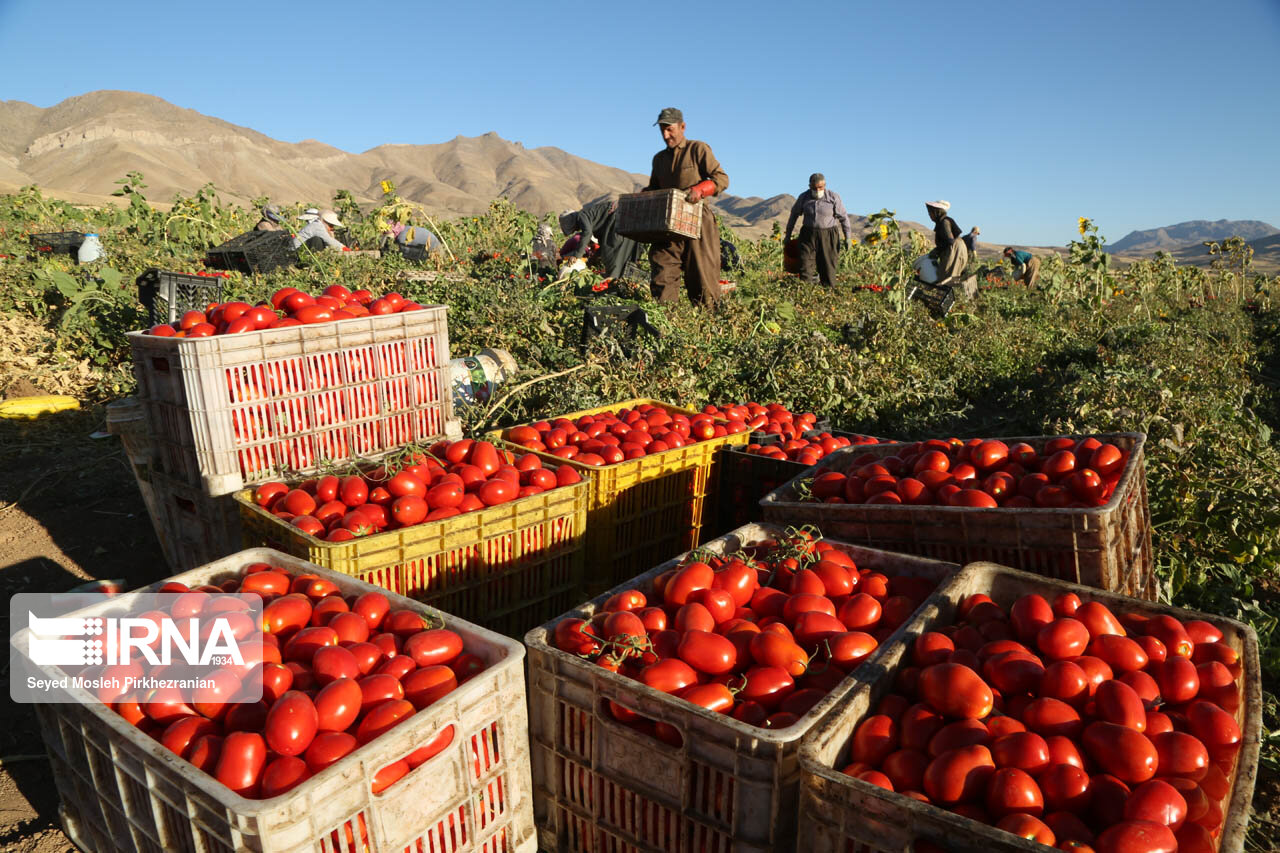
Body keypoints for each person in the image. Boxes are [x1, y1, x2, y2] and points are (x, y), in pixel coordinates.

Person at [643, 107, 729, 306]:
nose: (665, 135)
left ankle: (706, 325)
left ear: (682, 127)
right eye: (662, 130)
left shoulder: (697, 149)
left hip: (697, 218)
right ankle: (666, 322)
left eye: (670, 129)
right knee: (662, 272)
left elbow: (721, 178)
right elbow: (654, 187)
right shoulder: (659, 159)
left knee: (702, 276)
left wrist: (700, 189)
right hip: (667, 224)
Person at [783, 173, 853, 287]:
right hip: (808, 234)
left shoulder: (833, 197)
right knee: (805, 264)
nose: (817, 190)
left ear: (824, 185)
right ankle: (805, 292)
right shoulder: (804, 197)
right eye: (814, 188)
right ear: (809, 186)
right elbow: (793, 215)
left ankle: (828, 292)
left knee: (828, 266)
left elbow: (844, 218)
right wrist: (788, 235)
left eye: (820, 187)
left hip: (828, 234)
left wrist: (848, 237)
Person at [558, 200, 642, 282]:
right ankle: (622, 281)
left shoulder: (581, 215)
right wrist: (594, 257)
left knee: (612, 255)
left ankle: (614, 282)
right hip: (626, 220)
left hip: (618, 220)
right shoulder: (593, 220)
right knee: (623, 254)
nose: (575, 230)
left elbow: (587, 233)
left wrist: (576, 255)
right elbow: (603, 242)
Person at [925, 200, 968, 284]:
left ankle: (947, 295)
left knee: (947, 277)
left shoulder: (944, 222)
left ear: (937, 212)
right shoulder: (943, 221)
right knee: (951, 275)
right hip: (957, 247)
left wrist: (937, 250)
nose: (929, 215)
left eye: (930, 213)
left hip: (954, 249)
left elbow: (949, 240)